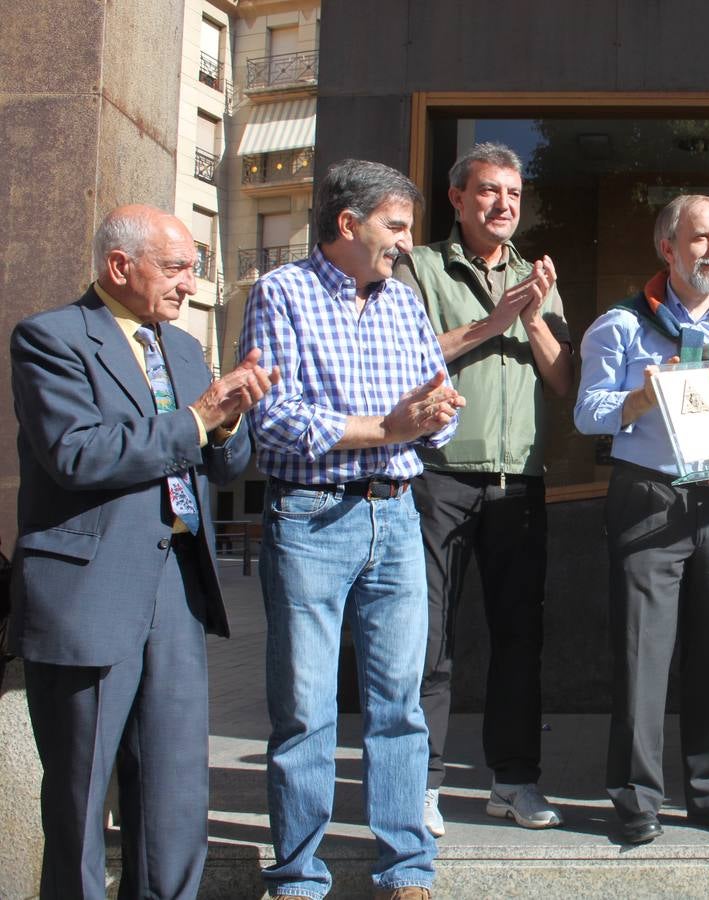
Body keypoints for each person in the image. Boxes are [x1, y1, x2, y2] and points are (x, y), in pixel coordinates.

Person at [10, 204, 278, 898]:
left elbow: (222, 465)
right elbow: (77, 453)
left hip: (178, 588)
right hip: (90, 593)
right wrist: (197, 419)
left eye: (195, 268)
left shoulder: (183, 349)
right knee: (81, 798)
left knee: (175, 797)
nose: (190, 284)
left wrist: (230, 420)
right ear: (119, 266)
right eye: (177, 267)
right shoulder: (52, 338)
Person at [241, 159, 464, 900]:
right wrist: (389, 425)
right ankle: (300, 876)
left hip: (397, 513)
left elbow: (432, 398)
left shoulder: (403, 304)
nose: (405, 243)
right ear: (349, 224)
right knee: (304, 709)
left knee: (399, 704)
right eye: (396, 227)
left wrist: (435, 414)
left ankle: (406, 870)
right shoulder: (281, 293)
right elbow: (273, 422)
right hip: (311, 517)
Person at [574, 194, 709, 845]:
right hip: (650, 496)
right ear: (667, 248)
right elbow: (588, 413)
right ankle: (637, 798)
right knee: (643, 653)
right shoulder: (618, 327)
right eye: (700, 238)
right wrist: (644, 394)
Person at [394, 142, 571, 836]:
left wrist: (531, 319)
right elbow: (403, 354)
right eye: (490, 192)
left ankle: (514, 781)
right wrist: (492, 324)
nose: (504, 205)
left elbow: (564, 382)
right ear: (458, 199)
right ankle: (423, 783)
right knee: (430, 642)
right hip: (438, 477)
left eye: (514, 195)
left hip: (518, 481)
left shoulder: (538, 278)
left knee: (519, 640)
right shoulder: (421, 267)